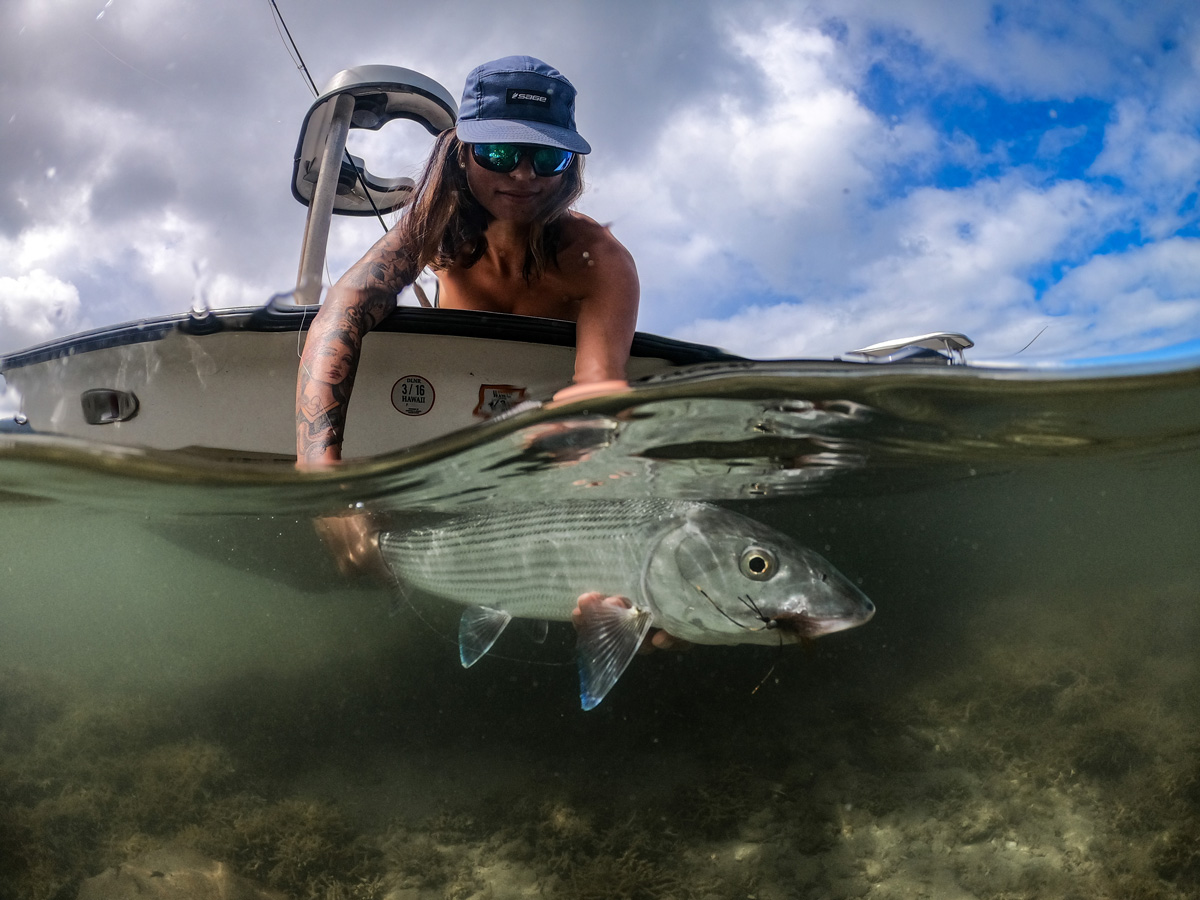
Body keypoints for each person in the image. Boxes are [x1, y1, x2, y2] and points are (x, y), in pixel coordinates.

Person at [294, 56, 686, 651]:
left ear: (570, 165)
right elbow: (343, 311)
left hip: (535, 464)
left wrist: (623, 538)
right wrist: (320, 477)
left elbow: (599, 385)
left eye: (547, 157)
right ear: (460, 152)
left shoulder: (600, 260)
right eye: (499, 154)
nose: (524, 175)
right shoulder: (430, 230)